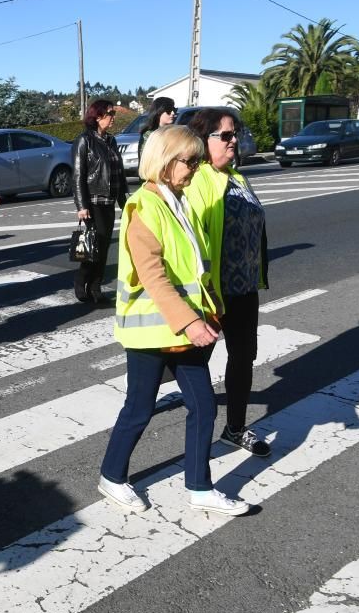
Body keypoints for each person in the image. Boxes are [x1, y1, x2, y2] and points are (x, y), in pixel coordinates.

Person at [98, 124, 252, 517]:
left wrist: (211, 309)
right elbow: (154, 276)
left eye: (199, 161)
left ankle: (200, 486)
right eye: (190, 161)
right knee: (139, 408)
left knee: (203, 407)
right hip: (152, 331)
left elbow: (197, 267)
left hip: (184, 329)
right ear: (166, 161)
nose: (196, 168)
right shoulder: (143, 206)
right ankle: (112, 476)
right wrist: (190, 322)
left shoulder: (179, 201)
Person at [185, 108, 271, 458]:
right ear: (204, 142)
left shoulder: (237, 176)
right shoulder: (198, 181)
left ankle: (235, 428)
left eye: (234, 133)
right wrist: (204, 295)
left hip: (244, 288)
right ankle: (193, 440)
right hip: (212, 293)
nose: (233, 139)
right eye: (225, 135)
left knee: (242, 357)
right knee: (192, 363)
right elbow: (190, 245)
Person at [71, 99, 128, 304]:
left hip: (109, 200)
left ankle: (96, 287)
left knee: (103, 248)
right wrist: (81, 206)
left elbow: (118, 173)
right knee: (92, 246)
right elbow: (78, 175)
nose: (113, 117)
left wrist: (124, 200)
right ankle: (81, 282)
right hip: (93, 201)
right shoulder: (84, 141)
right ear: (97, 116)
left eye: (113, 113)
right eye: (110, 113)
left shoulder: (111, 141)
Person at [138, 96, 177, 169]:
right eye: (169, 110)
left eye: (174, 109)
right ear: (159, 112)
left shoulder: (173, 133)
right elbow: (146, 161)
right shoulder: (149, 135)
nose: (173, 113)